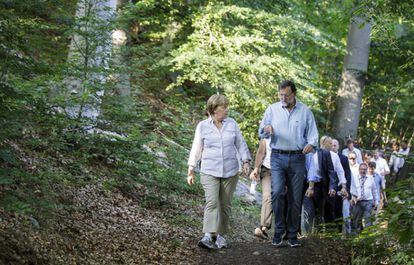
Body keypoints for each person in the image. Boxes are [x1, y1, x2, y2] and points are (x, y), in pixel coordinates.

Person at [259, 80, 318, 247]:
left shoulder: (305, 111)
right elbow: (261, 130)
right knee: (277, 193)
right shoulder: (272, 109)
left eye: (286, 95)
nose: (283, 98)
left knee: (295, 197)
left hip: (298, 158)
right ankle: (278, 231)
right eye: (280, 94)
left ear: (294, 94)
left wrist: (311, 144)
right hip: (277, 157)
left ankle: (292, 234)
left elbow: (314, 135)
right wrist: (266, 129)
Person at [187, 94, 251, 249]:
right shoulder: (203, 126)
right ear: (215, 109)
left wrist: (246, 161)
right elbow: (196, 147)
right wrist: (191, 168)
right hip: (209, 170)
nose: (227, 109)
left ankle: (221, 235)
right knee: (212, 202)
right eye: (224, 107)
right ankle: (209, 235)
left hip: (230, 171)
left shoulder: (232, 124)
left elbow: (240, 143)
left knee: (225, 204)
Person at [302, 137, 338, 235]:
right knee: (308, 211)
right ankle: (307, 235)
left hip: (321, 187)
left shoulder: (325, 154)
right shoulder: (302, 153)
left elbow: (331, 172)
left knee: (319, 213)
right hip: (306, 186)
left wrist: (332, 187)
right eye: (329, 143)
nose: (331, 145)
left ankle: (317, 236)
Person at [250, 137, 273, 240]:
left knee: (280, 196)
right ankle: (264, 227)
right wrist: (256, 168)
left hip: (282, 170)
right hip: (267, 169)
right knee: (267, 195)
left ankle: (285, 230)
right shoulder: (266, 138)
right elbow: (260, 153)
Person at [331, 138, 353, 235]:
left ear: (339, 147)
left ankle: (339, 230)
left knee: (338, 209)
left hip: (340, 188)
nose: (333, 146)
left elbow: (347, 174)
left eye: (335, 145)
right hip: (328, 188)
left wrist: (346, 189)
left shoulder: (343, 158)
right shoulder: (324, 156)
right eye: (331, 145)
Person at [350, 163, 378, 233]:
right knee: (357, 220)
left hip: (368, 201)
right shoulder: (354, 178)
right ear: (359, 170)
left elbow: (374, 190)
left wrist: (376, 201)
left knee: (368, 219)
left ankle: (368, 235)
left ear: (367, 170)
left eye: (365, 169)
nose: (363, 171)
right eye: (361, 169)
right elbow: (351, 190)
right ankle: (357, 236)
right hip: (358, 202)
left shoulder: (370, 178)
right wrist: (353, 198)